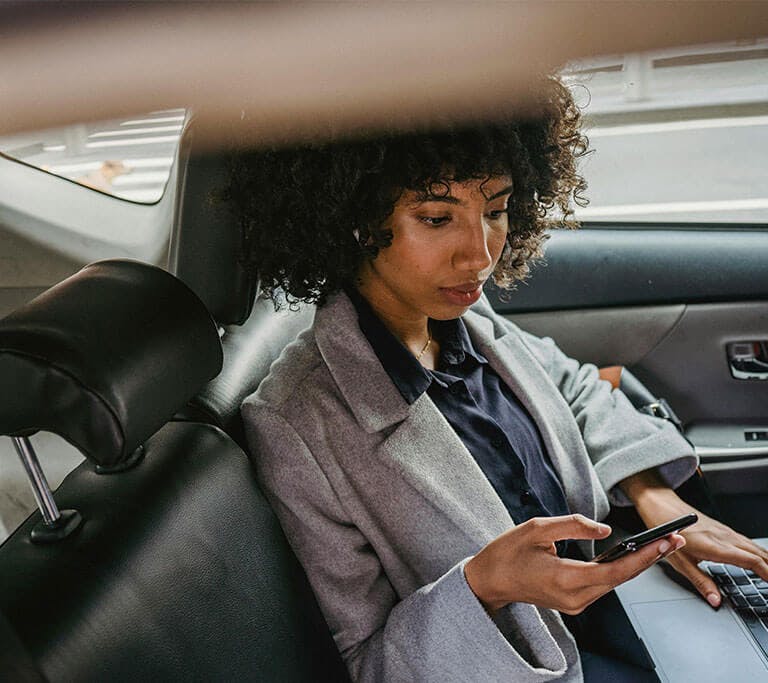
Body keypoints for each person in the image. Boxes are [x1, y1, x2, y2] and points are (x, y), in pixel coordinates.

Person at [234, 75, 768, 682]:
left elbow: (578, 387)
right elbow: (370, 664)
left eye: (495, 210)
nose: (481, 254)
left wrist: (657, 501)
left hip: (631, 604)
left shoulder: (466, 317)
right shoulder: (299, 425)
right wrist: (483, 586)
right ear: (352, 221)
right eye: (437, 218)